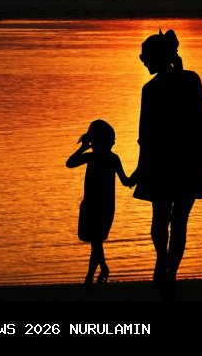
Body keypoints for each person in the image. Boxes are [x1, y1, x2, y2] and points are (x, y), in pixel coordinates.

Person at [130, 29, 202, 298]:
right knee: (179, 220)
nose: (143, 62)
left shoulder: (151, 89)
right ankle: (171, 272)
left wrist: (140, 168)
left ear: (157, 57)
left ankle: (163, 262)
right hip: (190, 161)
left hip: (161, 163)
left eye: (145, 57)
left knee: (161, 217)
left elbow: (145, 135)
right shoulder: (190, 79)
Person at [66, 119, 133, 288]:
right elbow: (69, 163)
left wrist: (140, 173)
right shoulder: (100, 158)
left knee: (96, 241)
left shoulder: (102, 158)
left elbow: (126, 181)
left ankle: (92, 275)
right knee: (96, 242)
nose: (113, 143)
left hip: (101, 206)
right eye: (111, 140)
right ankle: (100, 270)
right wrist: (83, 147)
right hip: (94, 205)